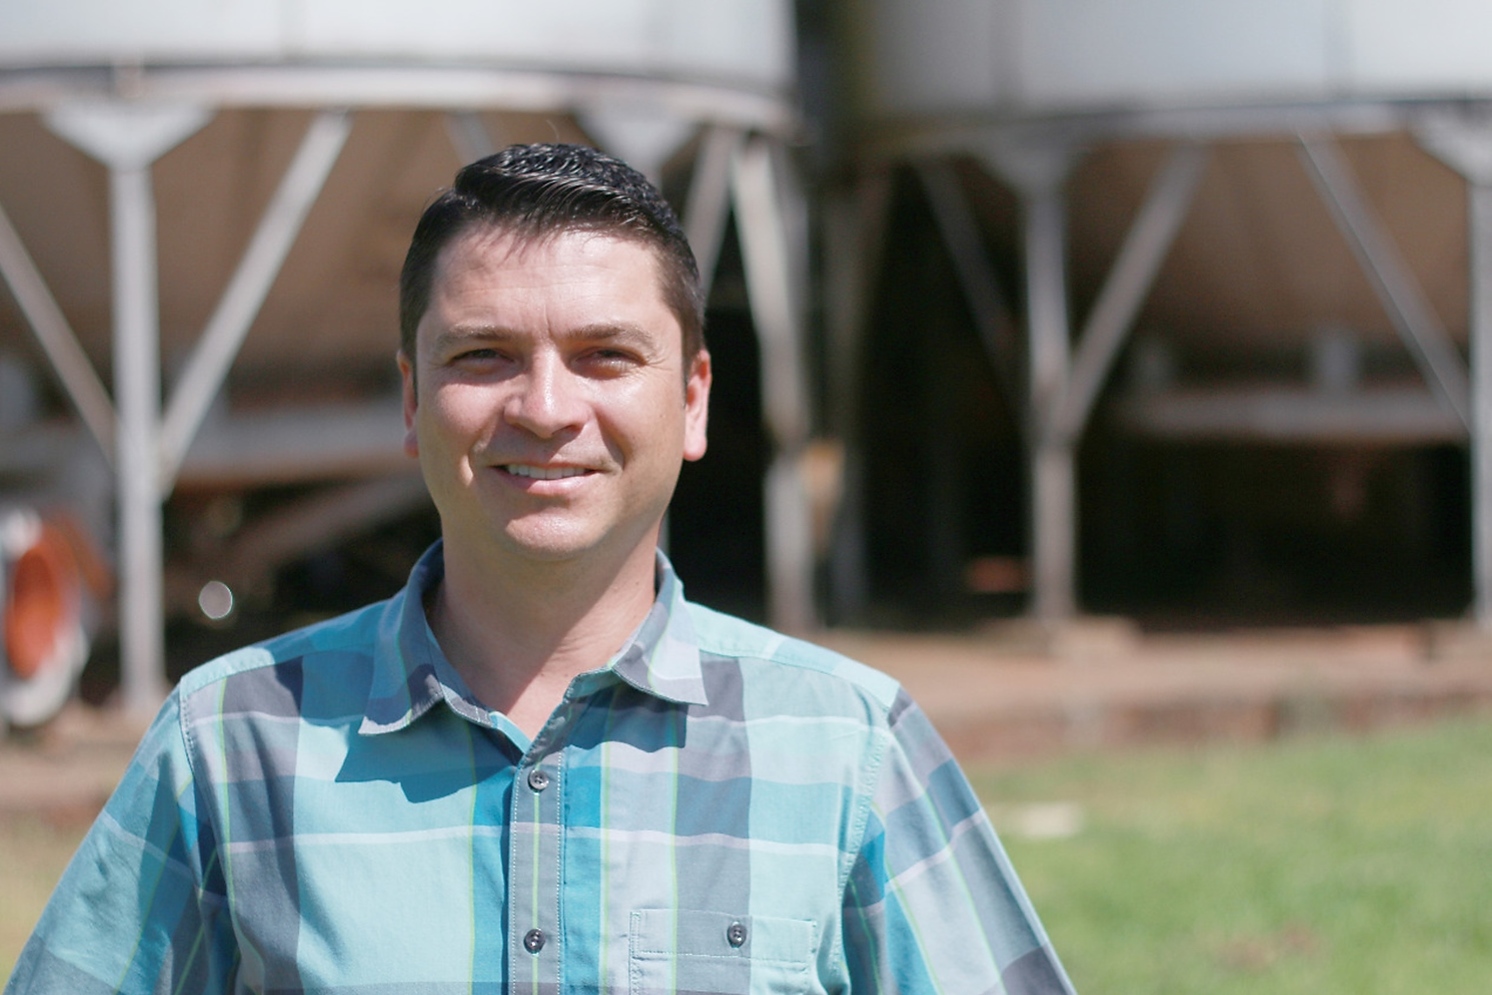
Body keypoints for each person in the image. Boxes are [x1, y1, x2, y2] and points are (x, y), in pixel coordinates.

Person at [6, 144, 1076, 995]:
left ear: (694, 397)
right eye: (484, 356)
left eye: (605, 354)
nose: (548, 407)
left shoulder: (849, 749)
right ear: (414, 399)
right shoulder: (228, 746)